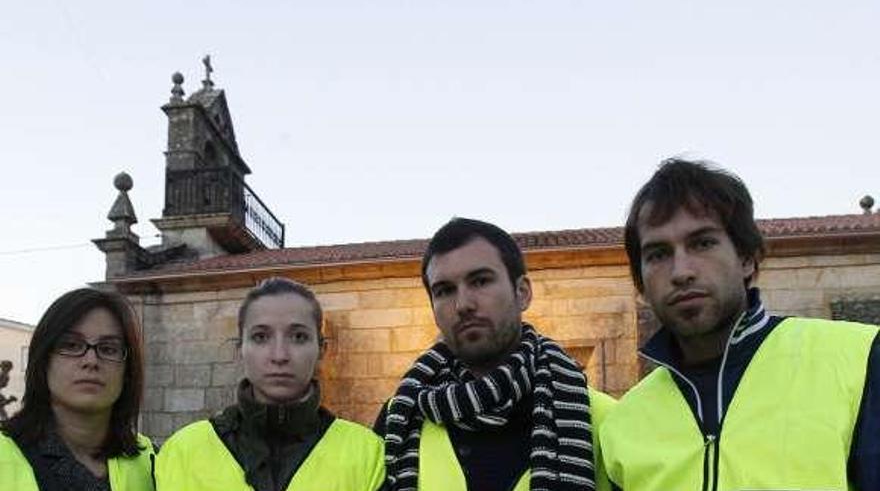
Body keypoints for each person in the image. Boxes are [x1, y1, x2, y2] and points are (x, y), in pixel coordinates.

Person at [599, 159, 880, 490]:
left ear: (747, 258)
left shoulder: (858, 360)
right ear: (641, 285)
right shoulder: (625, 422)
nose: (681, 272)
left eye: (702, 243)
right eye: (658, 254)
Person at [375, 217, 617, 491]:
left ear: (522, 293)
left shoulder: (604, 419)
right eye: (444, 290)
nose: (463, 304)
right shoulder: (402, 418)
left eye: (480, 281)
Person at [156, 277, 385, 491]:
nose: (279, 355)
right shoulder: (183, 451)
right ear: (240, 350)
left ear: (321, 350)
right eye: (261, 337)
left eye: (298, 337)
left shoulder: (367, 453)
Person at [0, 288, 156, 491]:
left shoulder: (153, 462)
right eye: (72, 345)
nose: (91, 361)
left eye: (108, 349)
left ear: (127, 371)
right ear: (44, 360)